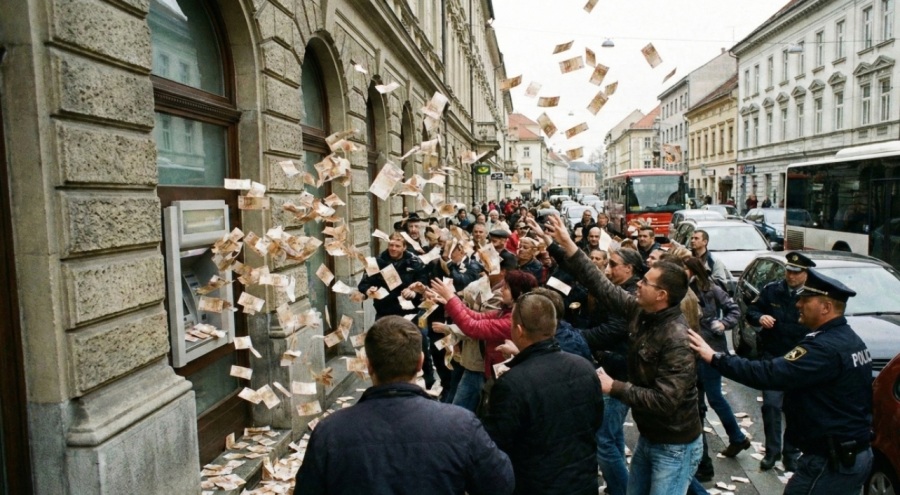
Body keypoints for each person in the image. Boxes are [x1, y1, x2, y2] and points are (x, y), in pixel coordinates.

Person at [541, 216, 702, 495]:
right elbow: (600, 285)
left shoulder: (676, 339)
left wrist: (613, 387)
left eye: (646, 282)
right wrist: (566, 244)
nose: (638, 284)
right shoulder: (643, 311)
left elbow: (665, 400)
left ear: (661, 295)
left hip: (674, 446)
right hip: (650, 438)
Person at [688, 269, 873, 495]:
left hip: (829, 461)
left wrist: (716, 358)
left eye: (806, 300)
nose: (798, 304)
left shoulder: (824, 348)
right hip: (846, 456)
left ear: (826, 308)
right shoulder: (849, 340)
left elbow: (769, 373)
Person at [295, 316, 514, 495]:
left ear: (368, 365)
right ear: (420, 363)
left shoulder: (329, 432)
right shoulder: (461, 424)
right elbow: (501, 484)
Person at [482, 292, 604, 495]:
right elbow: (595, 420)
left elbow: (496, 442)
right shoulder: (584, 367)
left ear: (519, 330)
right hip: (582, 479)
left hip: (535, 483)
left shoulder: (511, 383)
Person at [744, 252, 815, 471]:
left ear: (805, 274)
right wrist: (759, 318)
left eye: (796, 273)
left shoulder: (811, 296)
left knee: (796, 409)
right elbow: (752, 310)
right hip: (773, 357)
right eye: (789, 271)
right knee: (771, 406)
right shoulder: (772, 290)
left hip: (799, 359)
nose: (791, 276)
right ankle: (772, 452)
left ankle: (791, 453)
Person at [683, 257, 749, 458]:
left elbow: (734, 310)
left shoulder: (711, 289)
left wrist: (723, 323)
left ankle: (737, 437)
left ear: (692, 270)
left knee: (714, 397)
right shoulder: (683, 289)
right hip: (693, 349)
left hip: (711, 348)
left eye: (683, 269)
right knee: (698, 399)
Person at [356, 233, 426, 319]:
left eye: (397, 246)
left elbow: (424, 283)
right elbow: (363, 284)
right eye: (391, 245)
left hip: (410, 314)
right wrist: (368, 291)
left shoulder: (415, 262)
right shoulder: (376, 262)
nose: (393, 248)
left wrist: (414, 292)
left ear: (404, 247)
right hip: (384, 313)